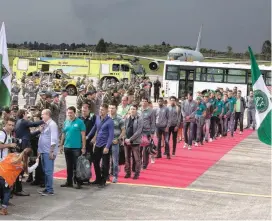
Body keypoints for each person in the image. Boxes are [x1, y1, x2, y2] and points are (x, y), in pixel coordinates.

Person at [0, 148, 39, 215]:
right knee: (7, 192)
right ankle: (3, 209)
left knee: (2, 190)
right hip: (6, 178)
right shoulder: (22, 164)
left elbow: (3, 160)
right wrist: (37, 163)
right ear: (28, 157)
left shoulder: (12, 154)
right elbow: (29, 170)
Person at [87, 104, 114, 188]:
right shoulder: (98, 118)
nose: (100, 111)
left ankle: (103, 180)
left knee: (105, 164)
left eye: (102, 110)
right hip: (98, 143)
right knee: (95, 161)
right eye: (100, 109)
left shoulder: (110, 121)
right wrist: (88, 136)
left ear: (106, 110)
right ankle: (98, 178)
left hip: (105, 144)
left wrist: (107, 147)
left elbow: (111, 135)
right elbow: (95, 128)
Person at [60, 106, 86, 189]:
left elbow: (83, 135)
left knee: (77, 166)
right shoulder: (66, 122)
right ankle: (69, 182)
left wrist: (83, 147)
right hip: (67, 147)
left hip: (76, 148)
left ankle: (78, 182)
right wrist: (61, 145)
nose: (69, 114)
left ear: (75, 113)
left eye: (71, 113)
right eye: (68, 113)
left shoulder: (80, 122)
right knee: (69, 165)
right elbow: (63, 134)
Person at [38, 109, 59, 196]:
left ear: (47, 115)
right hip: (43, 151)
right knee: (45, 171)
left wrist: (51, 152)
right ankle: (47, 188)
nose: (41, 116)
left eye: (42, 114)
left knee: (48, 171)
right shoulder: (45, 125)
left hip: (48, 151)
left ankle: (50, 189)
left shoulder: (52, 125)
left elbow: (54, 139)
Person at [124, 105, 143, 179]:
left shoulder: (139, 119)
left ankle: (137, 173)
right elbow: (124, 129)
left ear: (136, 110)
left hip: (135, 142)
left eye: (134, 109)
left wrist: (130, 139)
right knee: (127, 158)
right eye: (131, 109)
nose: (132, 110)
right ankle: (128, 172)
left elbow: (139, 131)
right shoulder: (126, 118)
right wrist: (125, 138)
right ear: (129, 110)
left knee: (137, 159)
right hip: (126, 141)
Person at [108, 104, 125, 183]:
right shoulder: (106, 118)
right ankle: (106, 175)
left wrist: (118, 139)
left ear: (116, 109)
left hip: (115, 142)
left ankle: (115, 176)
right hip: (106, 143)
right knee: (106, 160)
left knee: (115, 161)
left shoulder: (119, 118)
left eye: (113, 108)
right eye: (110, 108)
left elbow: (123, 131)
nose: (111, 110)